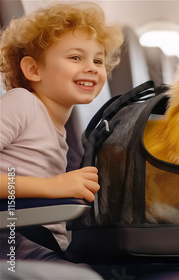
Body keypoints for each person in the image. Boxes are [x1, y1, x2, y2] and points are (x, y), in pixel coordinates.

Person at [0, 2, 123, 260]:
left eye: (98, 59)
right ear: (33, 69)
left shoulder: (59, 129)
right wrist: (52, 186)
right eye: (76, 57)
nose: (91, 67)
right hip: (15, 255)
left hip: (48, 250)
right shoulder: (21, 103)